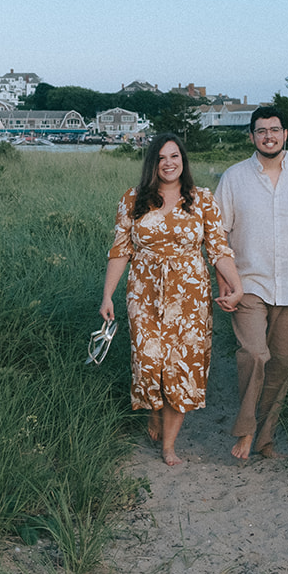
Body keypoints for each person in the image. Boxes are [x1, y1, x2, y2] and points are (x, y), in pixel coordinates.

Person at [101, 133, 243, 466]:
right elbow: (121, 250)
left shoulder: (202, 199)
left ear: (183, 161)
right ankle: (154, 412)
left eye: (175, 156)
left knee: (183, 366)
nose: (169, 163)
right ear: (153, 163)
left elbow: (218, 249)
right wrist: (107, 295)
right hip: (144, 292)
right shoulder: (133, 199)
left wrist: (236, 285)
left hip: (190, 296)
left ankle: (169, 445)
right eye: (162, 157)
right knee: (149, 362)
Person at [214, 105, 288, 461]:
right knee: (255, 355)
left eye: (275, 130)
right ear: (251, 136)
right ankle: (247, 429)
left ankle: (265, 439)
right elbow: (218, 235)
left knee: (282, 363)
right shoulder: (234, 178)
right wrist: (224, 280)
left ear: (285, 134)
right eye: (261, 130)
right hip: (246, 284)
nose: (269, 136)